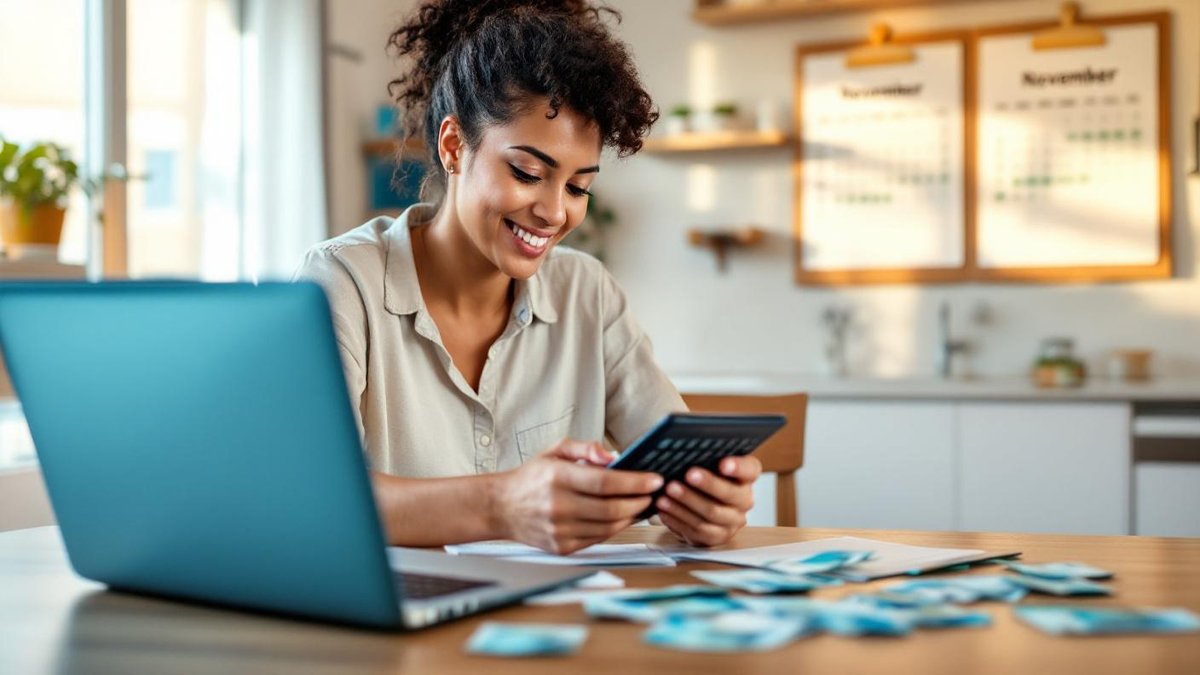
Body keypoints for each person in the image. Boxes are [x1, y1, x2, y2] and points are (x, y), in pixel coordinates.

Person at [295, 0, 761, 554]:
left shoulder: (588, 294)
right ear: (453, 146)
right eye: (528, 172)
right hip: (400, 607)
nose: (555, 212)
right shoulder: (342, 283)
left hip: (565, 606)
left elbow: (679, 461)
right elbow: (313, 498)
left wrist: (708, 501)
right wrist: (504, 504)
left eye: (578, 187)